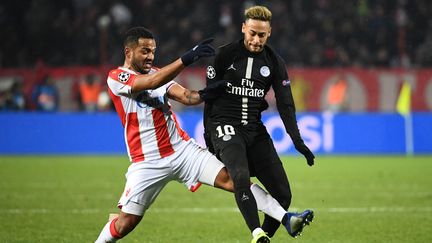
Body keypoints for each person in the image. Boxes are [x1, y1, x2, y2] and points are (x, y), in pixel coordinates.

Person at [95, 27, 303, 243]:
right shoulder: (117, 77)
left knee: (233, 179)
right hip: (147, 161)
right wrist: (185, 59)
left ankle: (287, 218)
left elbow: (187, 96)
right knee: (126, 222)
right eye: (144, 51)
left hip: (183, 150)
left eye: (153, 51)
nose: (150, 56)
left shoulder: (158, 73)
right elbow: (148, 84)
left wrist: (208, 93)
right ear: (128, 52)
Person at [203, 6, 316, 240]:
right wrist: (209, 136)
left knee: (283, 195)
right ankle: (256, 233)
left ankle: (264, 237)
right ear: (244, 28)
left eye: (261, 35)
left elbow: (286, 104)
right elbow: (209, 98)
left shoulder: (275, 62)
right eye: (252, 33)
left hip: (254, 130)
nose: (256, 40)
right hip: (225, 125)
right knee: (241, 177)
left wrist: (297, 140)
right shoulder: (224, 56)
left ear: (269, 33)